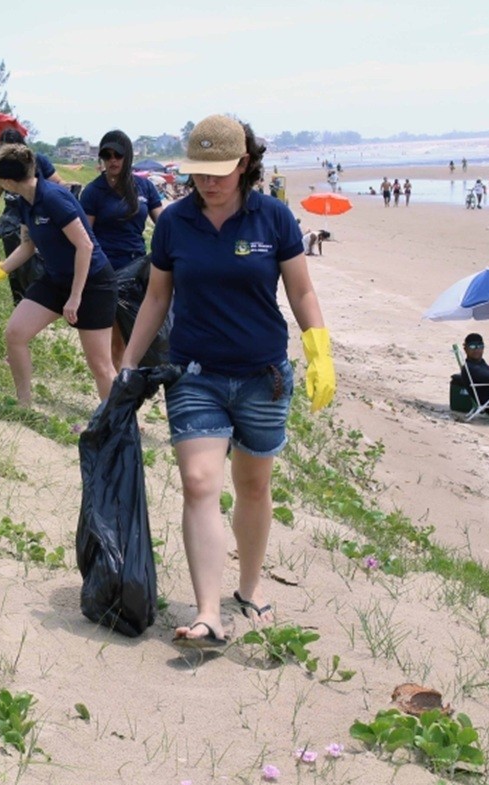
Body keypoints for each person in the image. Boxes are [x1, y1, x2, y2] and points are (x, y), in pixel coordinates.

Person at [119, 114, 335, 648]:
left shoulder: (274, 219)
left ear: (243, 164)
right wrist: (127, 364)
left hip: (264, 376)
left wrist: (319, 352)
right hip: (195, 375)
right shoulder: (173, 223)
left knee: (253, 486)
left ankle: (250, 586)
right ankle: (209, 612)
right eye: (199, 171)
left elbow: (302, 293)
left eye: (219, 170)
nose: (208, 182)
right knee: (198, 482)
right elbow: (156, 297)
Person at [0, 143, 117, 406]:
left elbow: (85, 246)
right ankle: (25, 404)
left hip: (92, 283)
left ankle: (119, 421)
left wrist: (75, 297)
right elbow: (28, 245)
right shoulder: (24, 201)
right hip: (55, 279)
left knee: (100, 365)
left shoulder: (52, 198)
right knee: (15, 334)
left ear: (6, 181)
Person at [79, 129, 164, 369]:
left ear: (128, 157)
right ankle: (119, 397)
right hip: (108, 271)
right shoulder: (94, 192)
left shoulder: (144, 187)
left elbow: (166, 223)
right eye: (107, 156)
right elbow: (86, 236)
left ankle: (134, 384)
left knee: (141, 337)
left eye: (118, 155)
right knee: (117, 342)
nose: (113, 160)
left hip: (139, 269)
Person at [0, 128, 67, 305]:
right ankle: (20, 301)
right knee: (16, 266)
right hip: (12, 218)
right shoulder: (0, 165)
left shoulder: (37, 161)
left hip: (37, 214)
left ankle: (38, 299)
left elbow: (59, 183)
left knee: (35, 264)